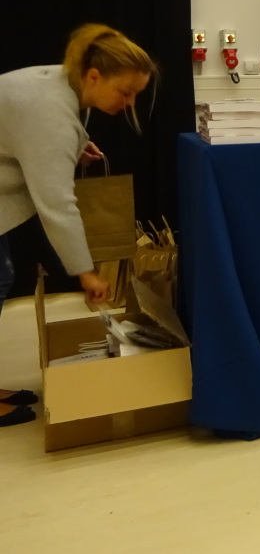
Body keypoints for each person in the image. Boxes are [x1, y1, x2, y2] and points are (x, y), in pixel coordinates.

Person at [0, 24, 154, 428]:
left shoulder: (63, 79)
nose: (130, 103)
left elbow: (27, 125)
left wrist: (75, 144)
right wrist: (85, 271)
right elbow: (57, 205)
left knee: (2, 277)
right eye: (126, 92)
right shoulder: (49, 115)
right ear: (94, 76)